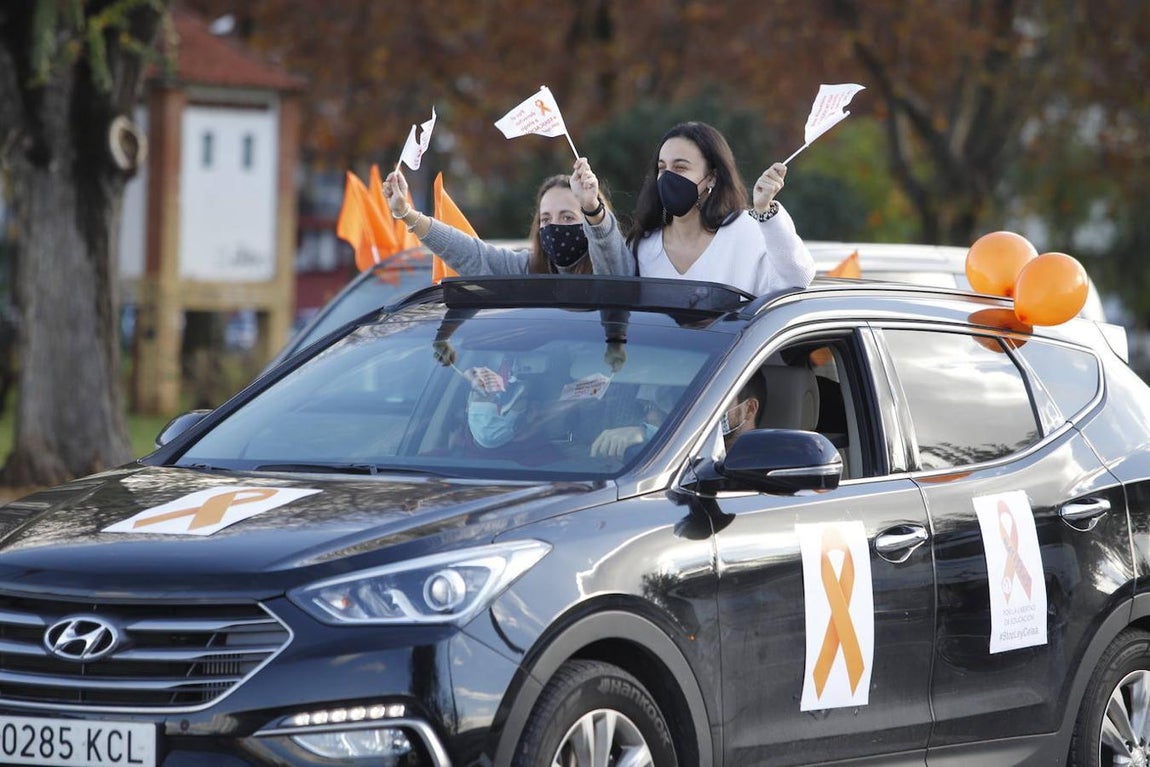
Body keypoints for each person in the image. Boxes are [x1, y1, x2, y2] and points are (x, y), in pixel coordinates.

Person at [625, 121, 814, 296]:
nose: (668, 177)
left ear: (712, 177)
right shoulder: (644, 245)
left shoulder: (745, 230)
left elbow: (796, 279)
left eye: (680, 167)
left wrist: (765, 210)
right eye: (662, 168)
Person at [382, 158, 634, 276]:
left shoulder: (614, 265)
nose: (554, 226)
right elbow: (470, 253)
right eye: (546, 219)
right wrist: (405, 213)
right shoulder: (529, 270)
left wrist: (591, 206)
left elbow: (612, 268)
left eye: (567, 217)